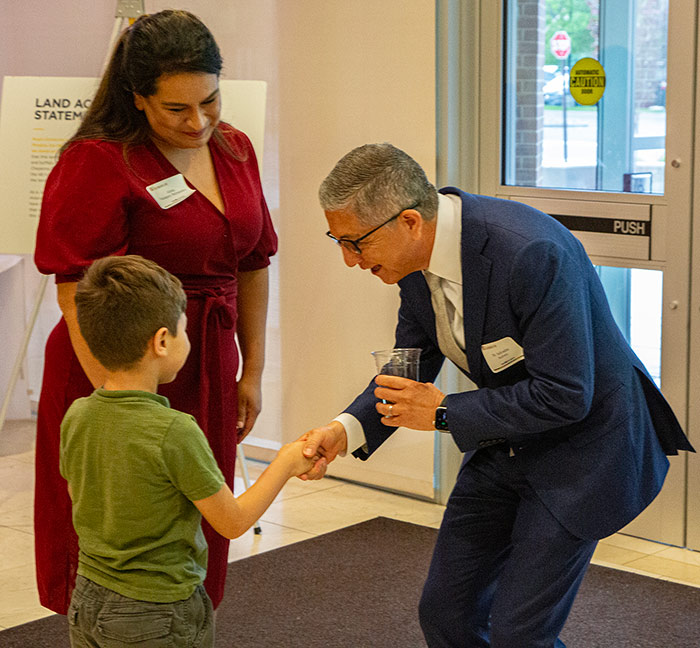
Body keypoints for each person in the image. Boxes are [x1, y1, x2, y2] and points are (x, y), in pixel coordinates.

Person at [300, 142, 694, 647]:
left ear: (410, 223)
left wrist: (443, 413)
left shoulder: (529, 251)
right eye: (337, 240)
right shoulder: (412, 267)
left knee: (519, 634)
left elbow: (567, 394)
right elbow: (409, 367)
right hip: (505, 439)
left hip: (585, 449)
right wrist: (344, 429)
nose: (348, 260)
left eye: (355, 243)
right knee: (446, 614)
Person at [34, 9, 278, 614]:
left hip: (205, 353)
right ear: (138, 98)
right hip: (118, 365)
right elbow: (75, 289)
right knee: (120, 519)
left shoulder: (236, 149)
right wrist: (118, 403)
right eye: (177, 109)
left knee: (199, 503)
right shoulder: (97, 158)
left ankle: (183, 622)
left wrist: (252, 370)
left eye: (211, 101)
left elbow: (253, 264)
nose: (199, 122)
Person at [61, 255, 313, 647]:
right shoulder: (174, 431)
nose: (188, 339)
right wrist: (286, 462)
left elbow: (85, 501)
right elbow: (231, 523)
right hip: (156, 609)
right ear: (162, 341)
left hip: (88, 597)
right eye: (184, 329)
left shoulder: (77, 415)